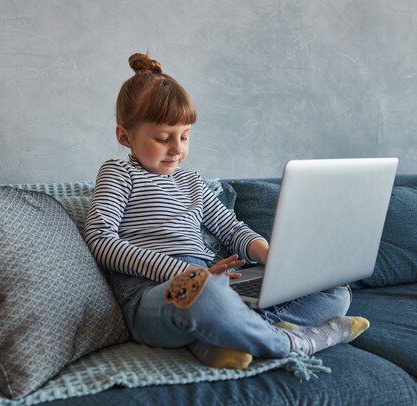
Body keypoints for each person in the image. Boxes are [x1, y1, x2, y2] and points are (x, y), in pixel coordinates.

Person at [84, 52, 369, 369]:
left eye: (185, 136)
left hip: (212, 284)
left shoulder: (191, 181)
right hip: (151, 295)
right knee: (204, 295)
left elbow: (231, 229)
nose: (177, 148)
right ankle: (294, 341)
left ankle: (225, 336)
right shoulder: (118, 173)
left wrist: (270, 256)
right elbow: (100, 240)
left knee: (334, 291)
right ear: (125, 136)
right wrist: (183, 274)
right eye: (163, 138)